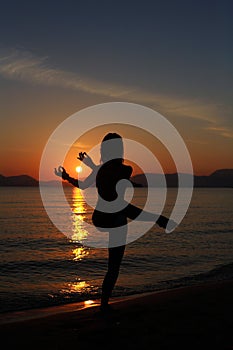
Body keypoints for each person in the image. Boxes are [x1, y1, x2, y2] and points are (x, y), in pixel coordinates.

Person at [55, 133, 174, 312]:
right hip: (113, 219)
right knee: (114, 261)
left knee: (120, 209)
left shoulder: (103, 171)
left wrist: (68, 175)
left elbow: (88, 184)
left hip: (101, 218)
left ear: (104, 150)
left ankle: (104, 303)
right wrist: (93, 167)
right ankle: (157, 218)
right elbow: (116, 178)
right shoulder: (126, 169)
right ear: (120, 149)